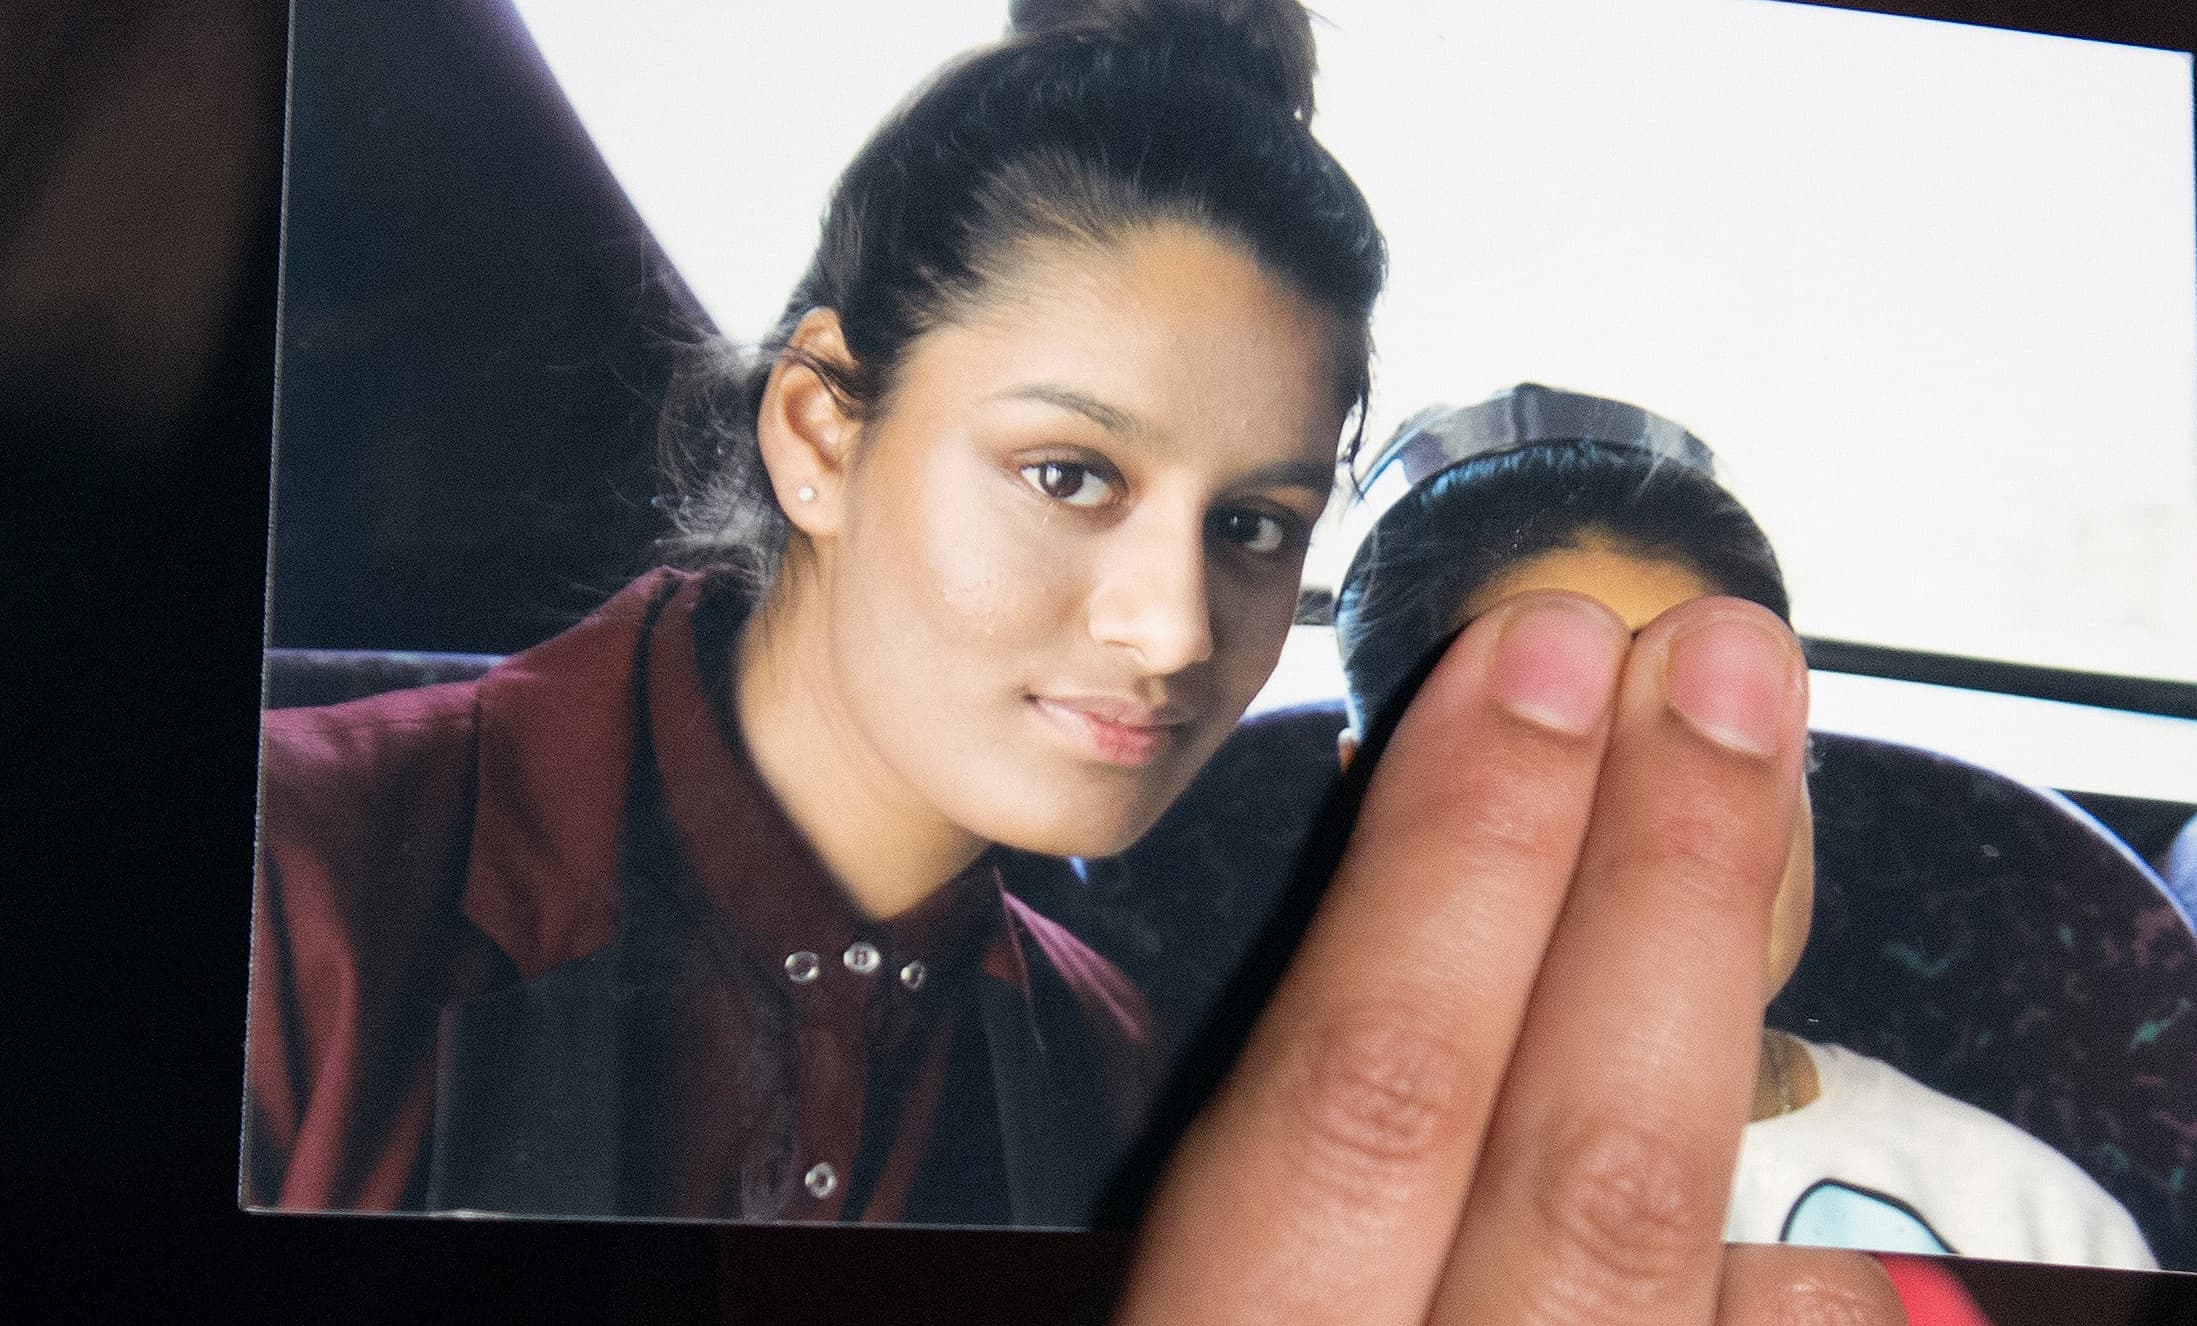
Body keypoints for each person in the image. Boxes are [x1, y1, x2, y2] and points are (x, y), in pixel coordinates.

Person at [247, 0, 1384, 1225]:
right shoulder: (288, 889)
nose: (1177, 633)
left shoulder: (1105, 1074)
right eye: (1067, 476)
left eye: (1253, 525)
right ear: (818, 432)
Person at [1330, 401, 2159, 1271]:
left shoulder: (2038, 1226)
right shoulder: (1304, 1208)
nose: (1669, 838)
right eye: (1554, 745)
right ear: (1367, 801)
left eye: (1724, 739)